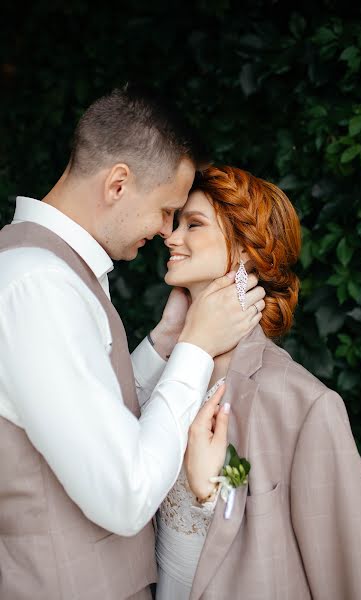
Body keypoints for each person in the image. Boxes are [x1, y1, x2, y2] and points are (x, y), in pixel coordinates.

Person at [0, 88, 266, 600]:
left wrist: (166, 341)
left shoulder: (46, 272)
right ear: (119, 183)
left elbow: (88, 412)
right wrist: (194, 346)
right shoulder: (38, 287)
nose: (166, 231)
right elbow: (126, 494)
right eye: (168, 210)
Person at [155, 165, 361, 600]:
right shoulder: (168, 369)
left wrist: (213, 492)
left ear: (246, 251)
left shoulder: (299, 402)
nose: (172, 237)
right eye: (177, 224)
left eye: (194, 225)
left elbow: (357, 572)